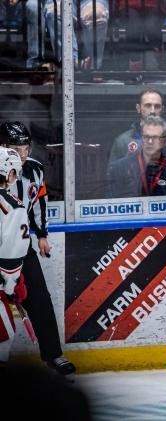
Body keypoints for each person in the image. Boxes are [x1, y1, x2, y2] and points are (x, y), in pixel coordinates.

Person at [0, 124, 76, 376]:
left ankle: (53, 354)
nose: (21, 155)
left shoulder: (35, 171)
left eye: (25, 148)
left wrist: (41, 234)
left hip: (20, 247)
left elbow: (38, 203)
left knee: (40, 299)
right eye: (14, 149)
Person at [109, 88, 166, 188]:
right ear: (138, 108)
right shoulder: (123, 141)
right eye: (148, 105)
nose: (153, 110)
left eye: (157, 106)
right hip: (134, 198)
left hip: (165, 199)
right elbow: (112, 176)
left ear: (162, 109)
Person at [107, 116, 166, 198]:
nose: (150, 141)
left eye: (155, 137)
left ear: (164, 141)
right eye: (146, 137)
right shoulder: (120, 168)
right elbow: (112, 204)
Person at [0, 146, 30, 365]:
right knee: (4, 338)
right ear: (9, 174)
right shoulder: (13, 207)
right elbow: (12, 253)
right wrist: (11, 286)